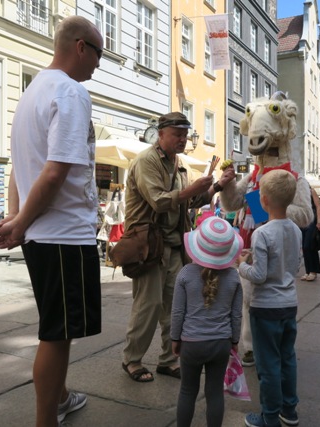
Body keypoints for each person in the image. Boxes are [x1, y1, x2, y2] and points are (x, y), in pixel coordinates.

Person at [0, 15, 103, 426]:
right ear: (80, 47)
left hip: (45, 233)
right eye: (98, 54)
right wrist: (19, 223)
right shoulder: (70, 92)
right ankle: (45, 419)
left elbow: (20, 167)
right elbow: (54, 171)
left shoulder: (33, 89)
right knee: (56, 334)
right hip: (63, 235)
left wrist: (19, 218)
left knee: (57, 327)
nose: (98, 66)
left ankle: (62, 396)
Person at [121, 111, 235, 382]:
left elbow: (190, 203)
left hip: (173, 246)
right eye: (177, 134)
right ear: (160, 135)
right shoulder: (147, 161)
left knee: (175, 308)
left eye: (185, 134)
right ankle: (132, 360)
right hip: (148, 246)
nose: (183, 139)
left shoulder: (180, 165)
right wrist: (191, 188)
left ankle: (167, 359)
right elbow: (160, 201)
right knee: (147, 306)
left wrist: (218, 185)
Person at [238, 170, 302, 427]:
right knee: (287, 358)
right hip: (289, 304)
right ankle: (290, 410)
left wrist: (242, 265)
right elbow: (295, 266)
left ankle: (269, 416)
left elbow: (259, 275)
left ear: (262, 201)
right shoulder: (295, 229)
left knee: (268, 365)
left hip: (265, 308)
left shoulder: (261, 233)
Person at [171, 217, 243, 427]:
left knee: (187, 390)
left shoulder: (185, 274)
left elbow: (177, 313)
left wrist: (175, 338)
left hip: (191, 344)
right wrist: (235, 340)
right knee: (214, 393)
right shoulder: (233, 278)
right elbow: (236, 315)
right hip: (220, 343)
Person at [300, 187, 320, 281]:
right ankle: (308, 271)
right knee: (304, 247)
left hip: (312, 221)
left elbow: (318, 206)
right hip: (302, 221)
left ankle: (313, 271)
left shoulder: (311, 191)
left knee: (309, 246)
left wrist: (318, 221)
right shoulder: (297, 193)